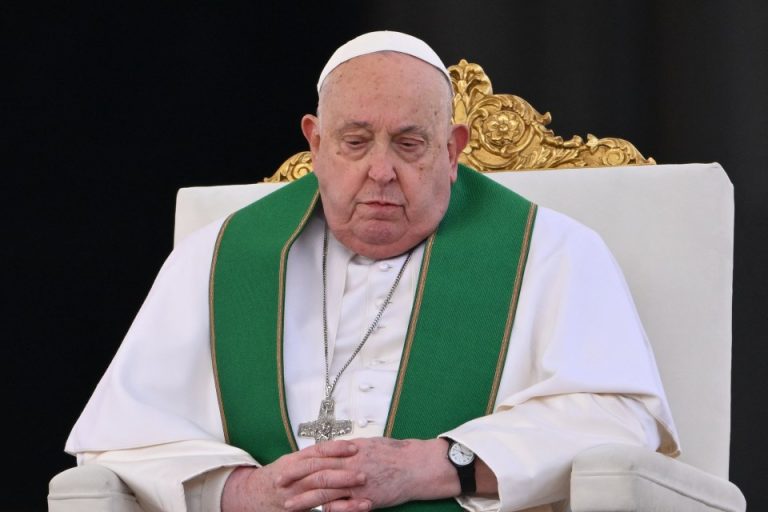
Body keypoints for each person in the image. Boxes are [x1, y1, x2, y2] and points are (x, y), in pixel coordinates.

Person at [65, 31, 679, 512]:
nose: (381, 171)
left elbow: (622, 421)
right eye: (355, 142)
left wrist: (442, 464)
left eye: (409, 144)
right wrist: (244, 492)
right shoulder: (219, 258)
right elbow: (121, 436)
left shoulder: (550, 251)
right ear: (315, 143)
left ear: (453, 150)